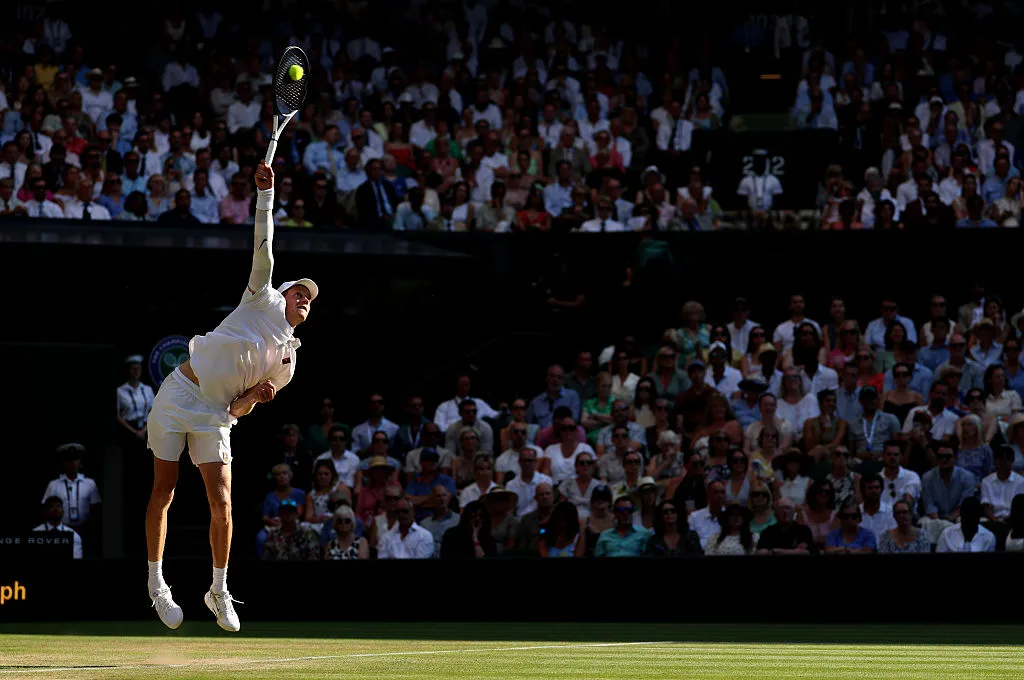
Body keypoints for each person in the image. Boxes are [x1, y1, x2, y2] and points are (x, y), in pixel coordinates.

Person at [145, 160, 318, 631]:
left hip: (216, 413)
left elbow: (239, 408)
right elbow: (264, 244)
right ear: (281, 294)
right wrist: (266, 194)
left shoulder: (288, 365)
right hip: (179, 391)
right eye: (299, 292)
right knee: (165, 490)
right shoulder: (259, 296)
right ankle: (157, 587)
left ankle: (218, 590)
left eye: (310, 298)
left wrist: (255, 399)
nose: (305, 298)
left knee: (222, 503)